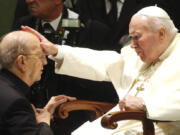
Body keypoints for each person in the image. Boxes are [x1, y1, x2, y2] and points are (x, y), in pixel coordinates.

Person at [23, 5, 180, 135]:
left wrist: (146, 105)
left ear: (161, 33)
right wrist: (56, 50)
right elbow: (105, 62)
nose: (132, 45)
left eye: (137, 37)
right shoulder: (138, 53)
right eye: (131, 37)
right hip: (120, 122)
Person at [12, 0, 119, 134]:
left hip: (76, 115)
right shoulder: (22, 26)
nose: (29, 1)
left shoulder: (92, 30)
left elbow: (103, 88)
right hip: (32, 113)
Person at [0, 30, 76, 135]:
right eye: (40, 56)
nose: (45, 62)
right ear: (22, 61)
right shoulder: (16, 104)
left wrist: (47, 112)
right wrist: (44, 121)